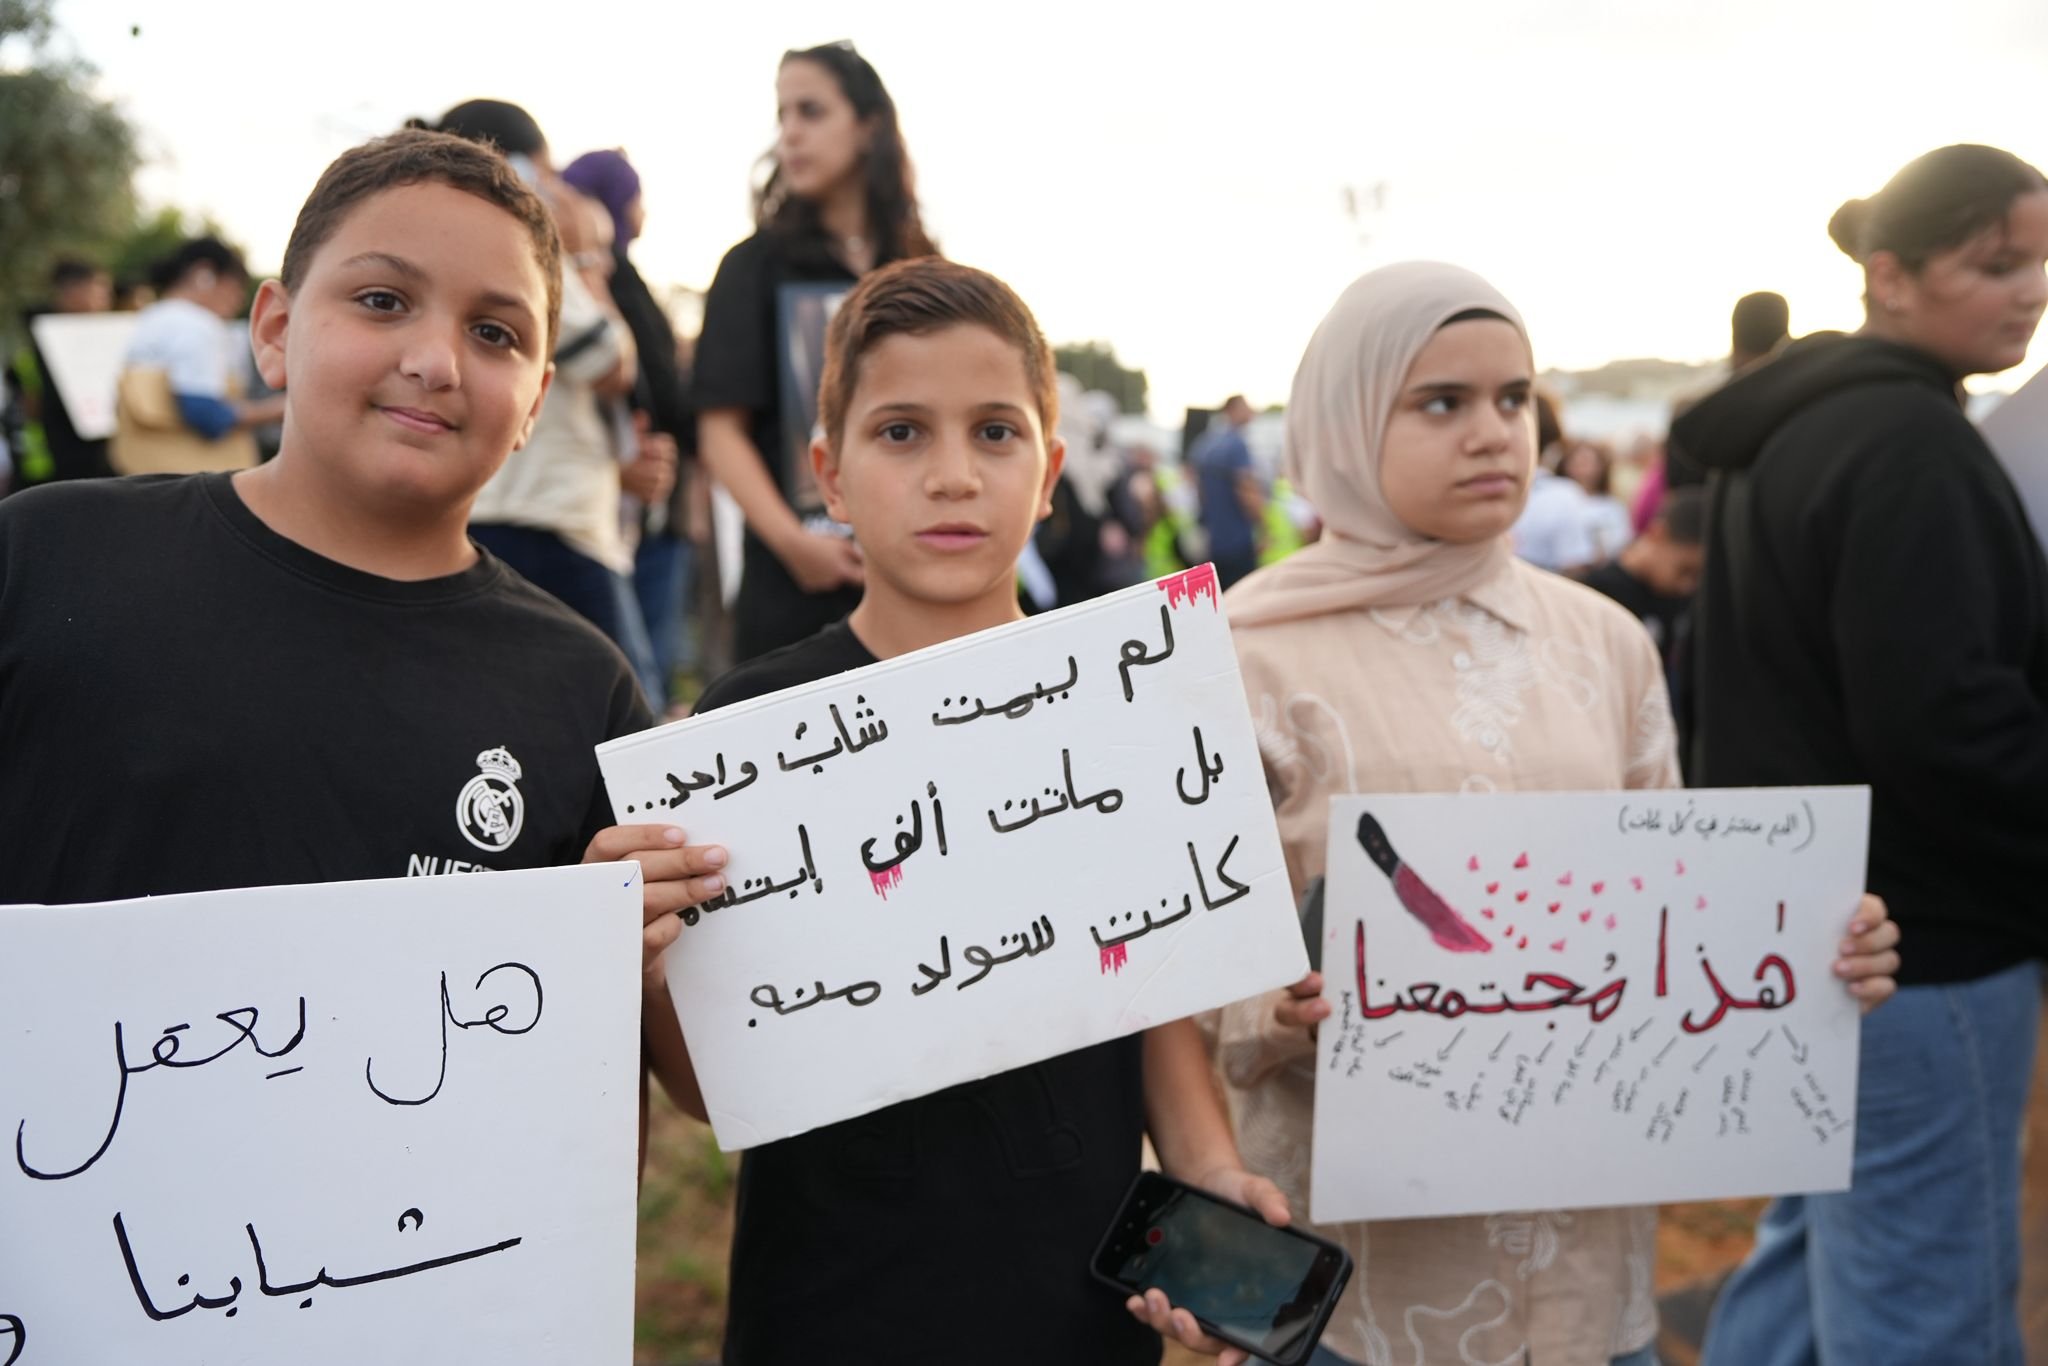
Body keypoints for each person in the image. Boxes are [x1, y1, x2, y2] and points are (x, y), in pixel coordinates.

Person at [1207, 262, 1901, 1366]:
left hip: (1586, 1268)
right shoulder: (1240, 655)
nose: (1493, 433)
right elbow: (1181, 967)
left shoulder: (1603, 642)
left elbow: (1671, 913)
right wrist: (1276, 1010)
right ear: (1344, 420)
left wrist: (1813, 950)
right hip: (1359, 1282)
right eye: (1441, 402)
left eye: (1513, 397)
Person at [643, 257, 1288, 1366]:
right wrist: (651, 963)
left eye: (995, 433)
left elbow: (1154, 1001)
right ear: (828, 474)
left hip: (1071, 1304)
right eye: (901, 433)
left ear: (1049, 471)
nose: (952, 476)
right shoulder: (747, 732)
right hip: (826, 1307)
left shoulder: (1124, 697)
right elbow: (712, 1089)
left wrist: (1210, 1173)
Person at [0, 130, 717, 1037]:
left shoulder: (582, 687)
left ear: (535, 402)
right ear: (275, 331)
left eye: (493, 333)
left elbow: (644, 1072)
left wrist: (615, 955)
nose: (435, 362)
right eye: (382, 301)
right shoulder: (48, 555)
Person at [1684, 143, 2048, 1366]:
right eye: (1993, 264)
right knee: (1924, 1312)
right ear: (1888, 276)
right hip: (1920, 948)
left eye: (2037, 263)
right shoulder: (1904, 440)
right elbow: (1942, 722)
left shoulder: (1803, 424)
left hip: (1809, 930)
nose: (2027, 291)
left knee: (1812, 1267)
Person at [693, 41, 937, 663]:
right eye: (782, 115)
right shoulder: (752, 266)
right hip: (792, 590)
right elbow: (720, 433)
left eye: (811, 111)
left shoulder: (923, 268)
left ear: (868, 126)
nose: (790, 134)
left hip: (915, 584)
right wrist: (793, 543)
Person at [437, 101, 673, 709]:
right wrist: (586, 254)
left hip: (506, 514)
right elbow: (612, 362)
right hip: (548, 521)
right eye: (546, 173)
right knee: (627, 721)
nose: (557, 191)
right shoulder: (516, 249)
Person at [563, 147, 699, 709]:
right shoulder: (589, 276)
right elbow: (628, 372)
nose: (643, 212)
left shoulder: (623, 278)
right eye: (637, 197)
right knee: (631, 689)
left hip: (643, 497)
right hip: (606, 503)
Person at [111, 235, 286, 475]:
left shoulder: (152, 317)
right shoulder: (197, 325)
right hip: (189, 476)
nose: (239, 300)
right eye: (236, 287)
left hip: (140, 467)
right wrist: (277, 409)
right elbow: (205, 415)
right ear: (204, 275)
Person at [7, 258, 115, 488]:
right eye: (99, 292)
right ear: (72, 292)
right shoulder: (39, 340)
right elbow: (28, 407)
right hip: (53, 462)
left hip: (96, 460)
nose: (105, 301)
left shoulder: (99, 339)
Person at [1188, 394, 1265, 589]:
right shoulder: (1236, 444)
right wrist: (1264, 527)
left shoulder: (1205, 443)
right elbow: (1246, 490)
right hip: (1238, 541)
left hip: (1214, 541)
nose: (1251, 413)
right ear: (1232, 410)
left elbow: (1198, 489)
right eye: (1246, 408)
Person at [1558, 437, 1633, 561]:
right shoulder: (1557, 500)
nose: (1580, 466)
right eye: (1576, 461)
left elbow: (1622, 541)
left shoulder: (1612, 506)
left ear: (1600, 467)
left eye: (1586, 461)